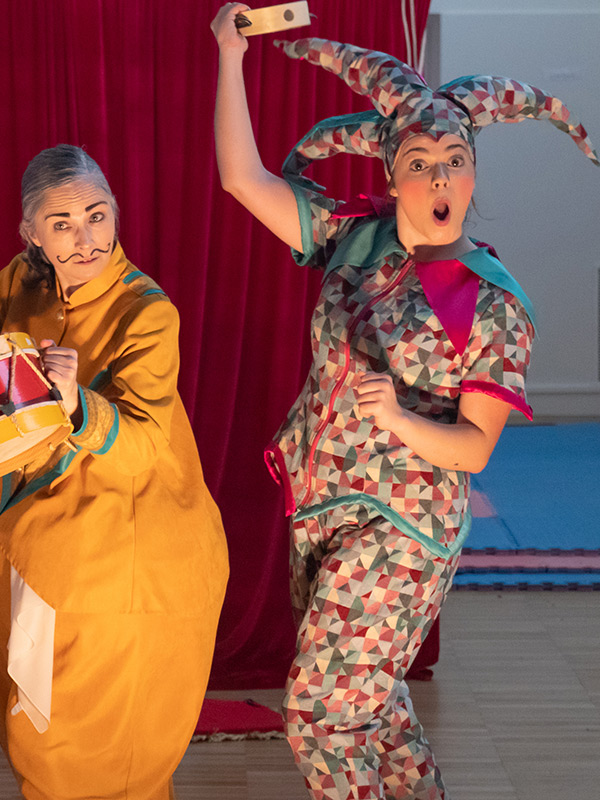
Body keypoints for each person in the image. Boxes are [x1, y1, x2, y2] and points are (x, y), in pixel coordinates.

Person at [210, 4, 599, 799]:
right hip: (323, 510)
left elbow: (474, 449)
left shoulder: (492, 301)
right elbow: (241, 179)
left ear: (474, 173)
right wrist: (229, 59)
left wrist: (397, 417)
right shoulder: (352, 235)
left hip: (406, 529)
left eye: (455, 159)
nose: (439, 177)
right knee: (373, 707)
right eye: (419, 161)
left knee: (321, 716)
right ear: (392, 174)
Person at [0, 144, 229, 800]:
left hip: (121, 556)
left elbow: (140, 446)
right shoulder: (23, 283)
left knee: (94, 749)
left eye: (98, 217)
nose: (86, 239)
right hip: (19, 548)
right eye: (63, 224)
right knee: (32, 735)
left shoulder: (146, 312)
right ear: (33, 234)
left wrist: (80, 404)